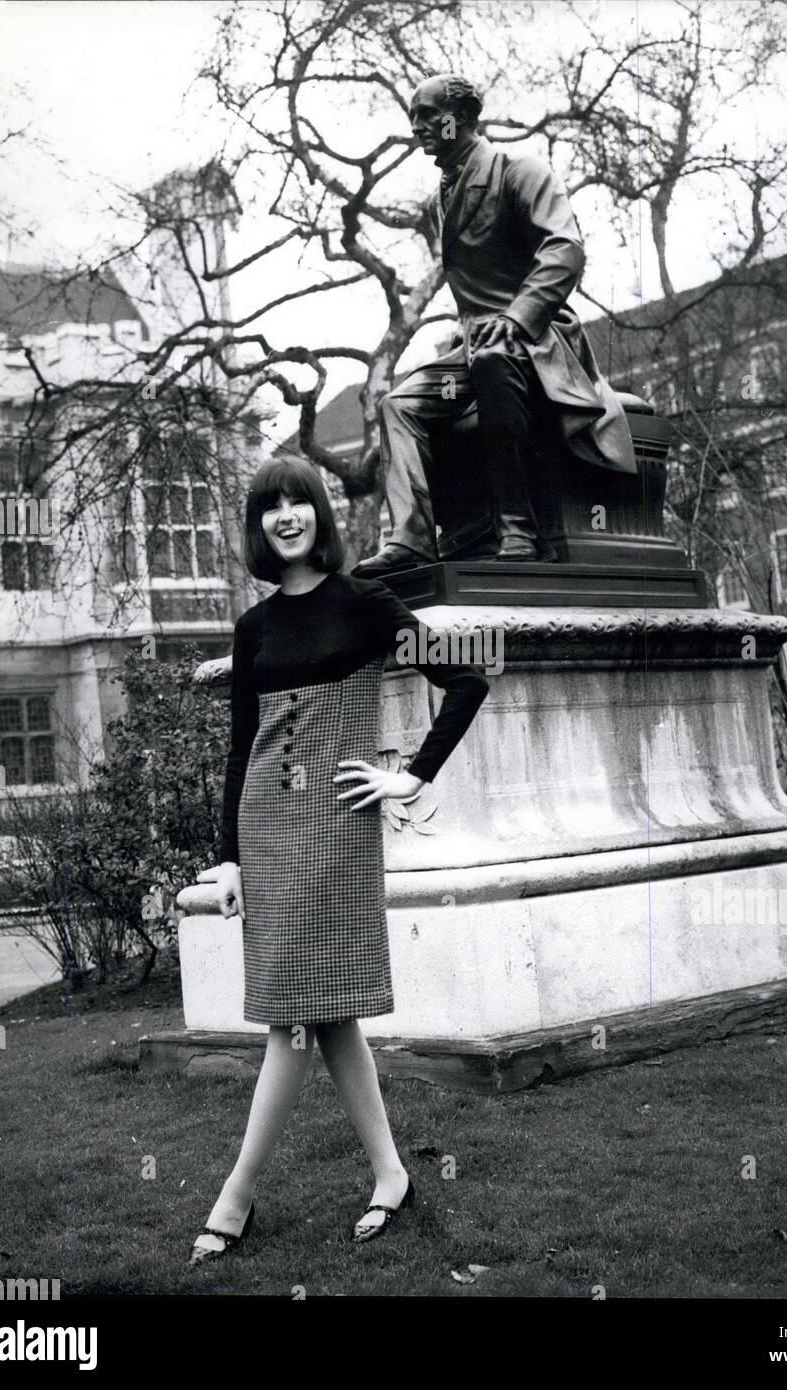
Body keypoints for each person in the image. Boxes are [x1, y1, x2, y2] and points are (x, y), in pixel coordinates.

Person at [189, 454, 489, 1265]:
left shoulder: (363, 602)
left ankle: (236, 1196)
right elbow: (239, 748)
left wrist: (408, 776)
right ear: (257, 526)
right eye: (270, 507)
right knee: (325, 1014)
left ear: (320, 511)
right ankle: (391, 1174)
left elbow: (466, 680)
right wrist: (229, 860)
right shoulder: (252, 628)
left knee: (291, 1015)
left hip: (333, 827)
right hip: (267, 825)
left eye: (299, 501)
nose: (287, 515)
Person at [353, 72, 637, 579]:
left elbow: (565, 250)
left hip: (537, 341)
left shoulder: (517, 170)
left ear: (460, 118)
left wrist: (515, 318)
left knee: (492, 359)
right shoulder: (444, 192)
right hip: (475, 346)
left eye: (425, 115)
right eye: (412, 117)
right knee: (399, 404)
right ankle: (413, 539)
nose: (416, 126)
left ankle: (519, 531)